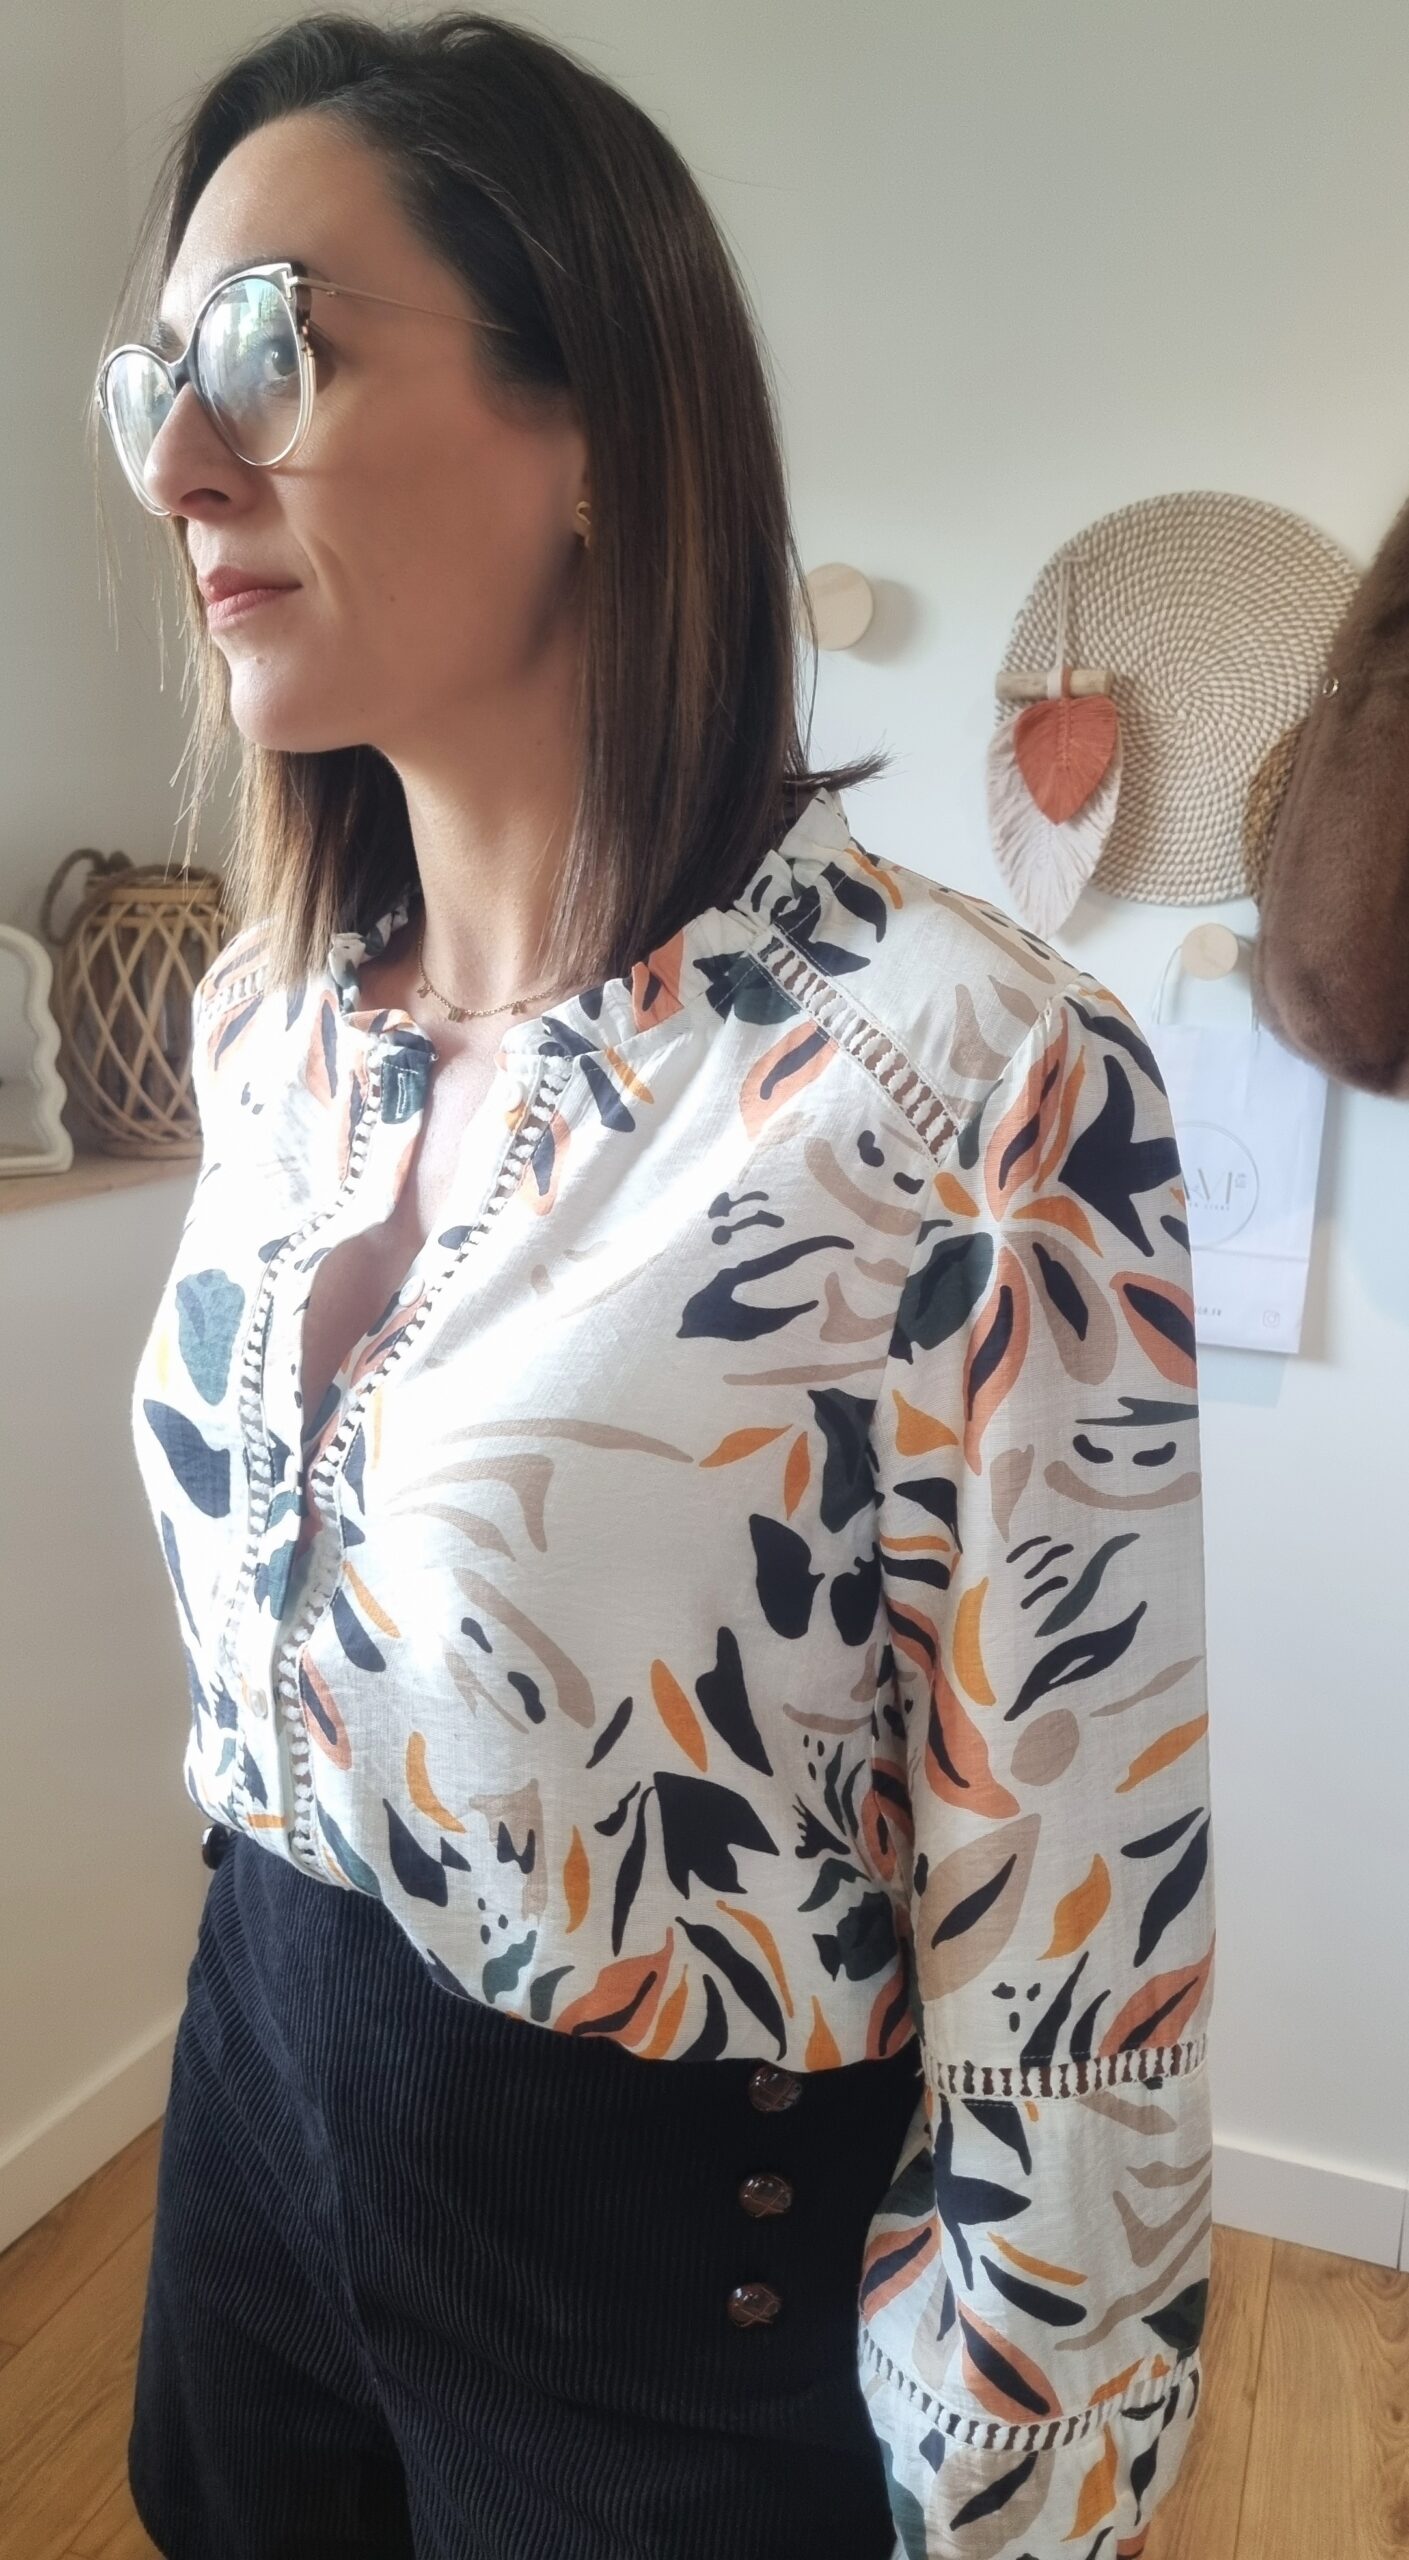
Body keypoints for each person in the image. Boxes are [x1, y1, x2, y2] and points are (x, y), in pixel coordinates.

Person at [98, 13, 1215, 2557]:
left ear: (596, 416)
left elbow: (1078, 1953)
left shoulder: (969, 1084)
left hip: (662, 2294)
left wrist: (1021, 2482)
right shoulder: (272, 1027)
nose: (175, 465)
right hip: (254, 2117)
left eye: (266, 348)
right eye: (153, 383)